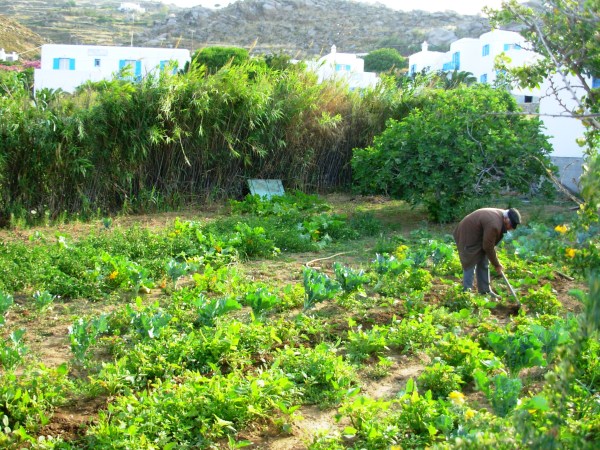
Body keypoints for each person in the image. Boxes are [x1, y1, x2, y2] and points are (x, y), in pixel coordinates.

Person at [453, 207, 521, 298]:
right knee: (469, 263)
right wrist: (497, 264)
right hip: (467, 235)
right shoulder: (494, 224)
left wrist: (495, 262)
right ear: (506, 219)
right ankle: (466, 293)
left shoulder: (501, 216)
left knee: (484, 261)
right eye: (510, 226)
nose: (510, 229)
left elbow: (488, 246)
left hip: (478, 234)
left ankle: (485, 291)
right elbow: (488, 247)